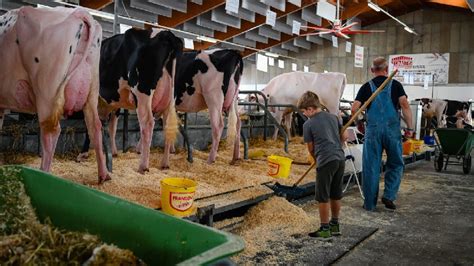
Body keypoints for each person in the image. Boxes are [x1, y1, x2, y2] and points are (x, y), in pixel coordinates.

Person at [351, 57, 414, 212]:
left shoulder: (366, 87)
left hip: (372, 132)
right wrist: (410, 128)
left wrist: (360, 123)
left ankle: (370, 204)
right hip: (392, 131)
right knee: (396, 163)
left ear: (372, 70)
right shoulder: (396, 85)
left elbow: (354, 108)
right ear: (387, 69)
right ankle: (389, 195)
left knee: (371, 167)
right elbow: (404, 105)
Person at [297, 91, 347, 241]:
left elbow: (311, 148)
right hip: (340, 158)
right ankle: (335, 225)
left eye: (305, 111)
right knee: (336, 193)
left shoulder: (308, 124)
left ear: (311, 108)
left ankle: (324, 228)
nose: (304, 114)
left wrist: (316, 160)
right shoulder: (334, 117)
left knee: (323, 196)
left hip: (325, 160)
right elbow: (344, 137)